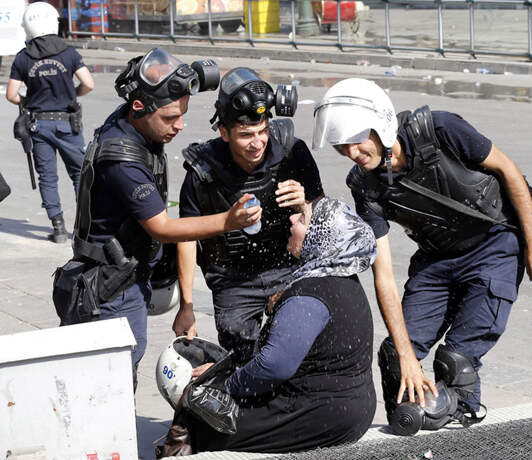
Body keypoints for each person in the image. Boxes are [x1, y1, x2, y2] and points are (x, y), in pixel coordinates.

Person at [312, 78, 532, 426]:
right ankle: (409, 421)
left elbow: (508, 169)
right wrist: (408, 357)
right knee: (397, 353)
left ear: (380, 124)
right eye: (341, 147)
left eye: (356, 140)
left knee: (458, 361)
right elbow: (383, 275)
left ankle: (461, 414)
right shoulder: (365, 185)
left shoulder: (440, 129)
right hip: (437, 258)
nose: (352, 154)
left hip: (493, 246)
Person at [70, 48, 260, 387]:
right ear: (140, 109)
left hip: (119, 278)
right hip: (112, 291)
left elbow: (147, 72)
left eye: (183, 114)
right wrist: (228, 221)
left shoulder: (130, 120)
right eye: (170, 118)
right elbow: (163, 227)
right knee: (109, 383)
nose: (180, 126)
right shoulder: (124, 161)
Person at [157, 197, 377, 455]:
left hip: (320, 414)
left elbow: (274, 366)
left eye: (303, 219)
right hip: (352, 409)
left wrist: (223, 384)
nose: (292, 219)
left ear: (320, 238)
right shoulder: (343, 279)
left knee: (201, 419)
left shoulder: (309, 295)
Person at [175, 67, 324, 366]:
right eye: (245, 135)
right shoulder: (202, 172)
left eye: (262, 132)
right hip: (233, 280)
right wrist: (186, 306)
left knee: (300, 354)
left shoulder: (292, 151)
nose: (257, 143)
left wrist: (306, 203)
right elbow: (186, 237)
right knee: (242, 360)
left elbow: (326, 215)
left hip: (288, 269)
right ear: (224, 132)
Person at [6, 1, 94, 243]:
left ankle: (58, 228)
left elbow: (12, 95)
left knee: (48, 177)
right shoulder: (68, 53)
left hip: (38, 125)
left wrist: (29, 100)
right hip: (68, 124)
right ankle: (83, 229)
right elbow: (89, 83)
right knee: (80, 175)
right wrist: (71, 94)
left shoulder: (23, 58)